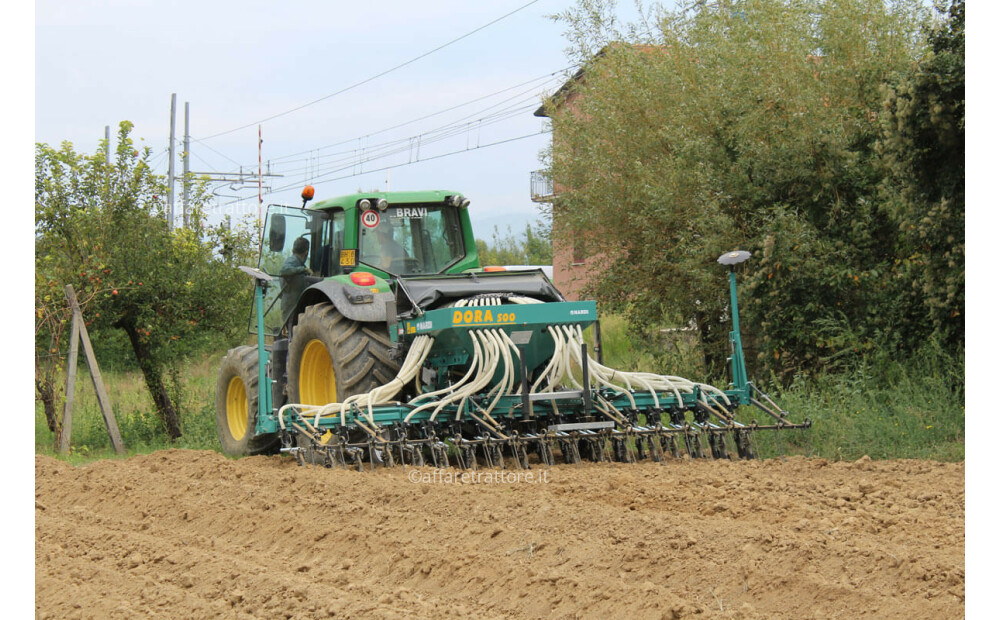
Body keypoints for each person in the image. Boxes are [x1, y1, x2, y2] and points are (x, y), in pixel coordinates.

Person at [280, 237, 311, 325]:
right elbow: (284, 271)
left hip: (293, 304)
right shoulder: (293, 260)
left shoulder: (298, 262)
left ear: (293, 250)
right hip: (291, 306)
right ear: (306, 252)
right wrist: (303, 270)